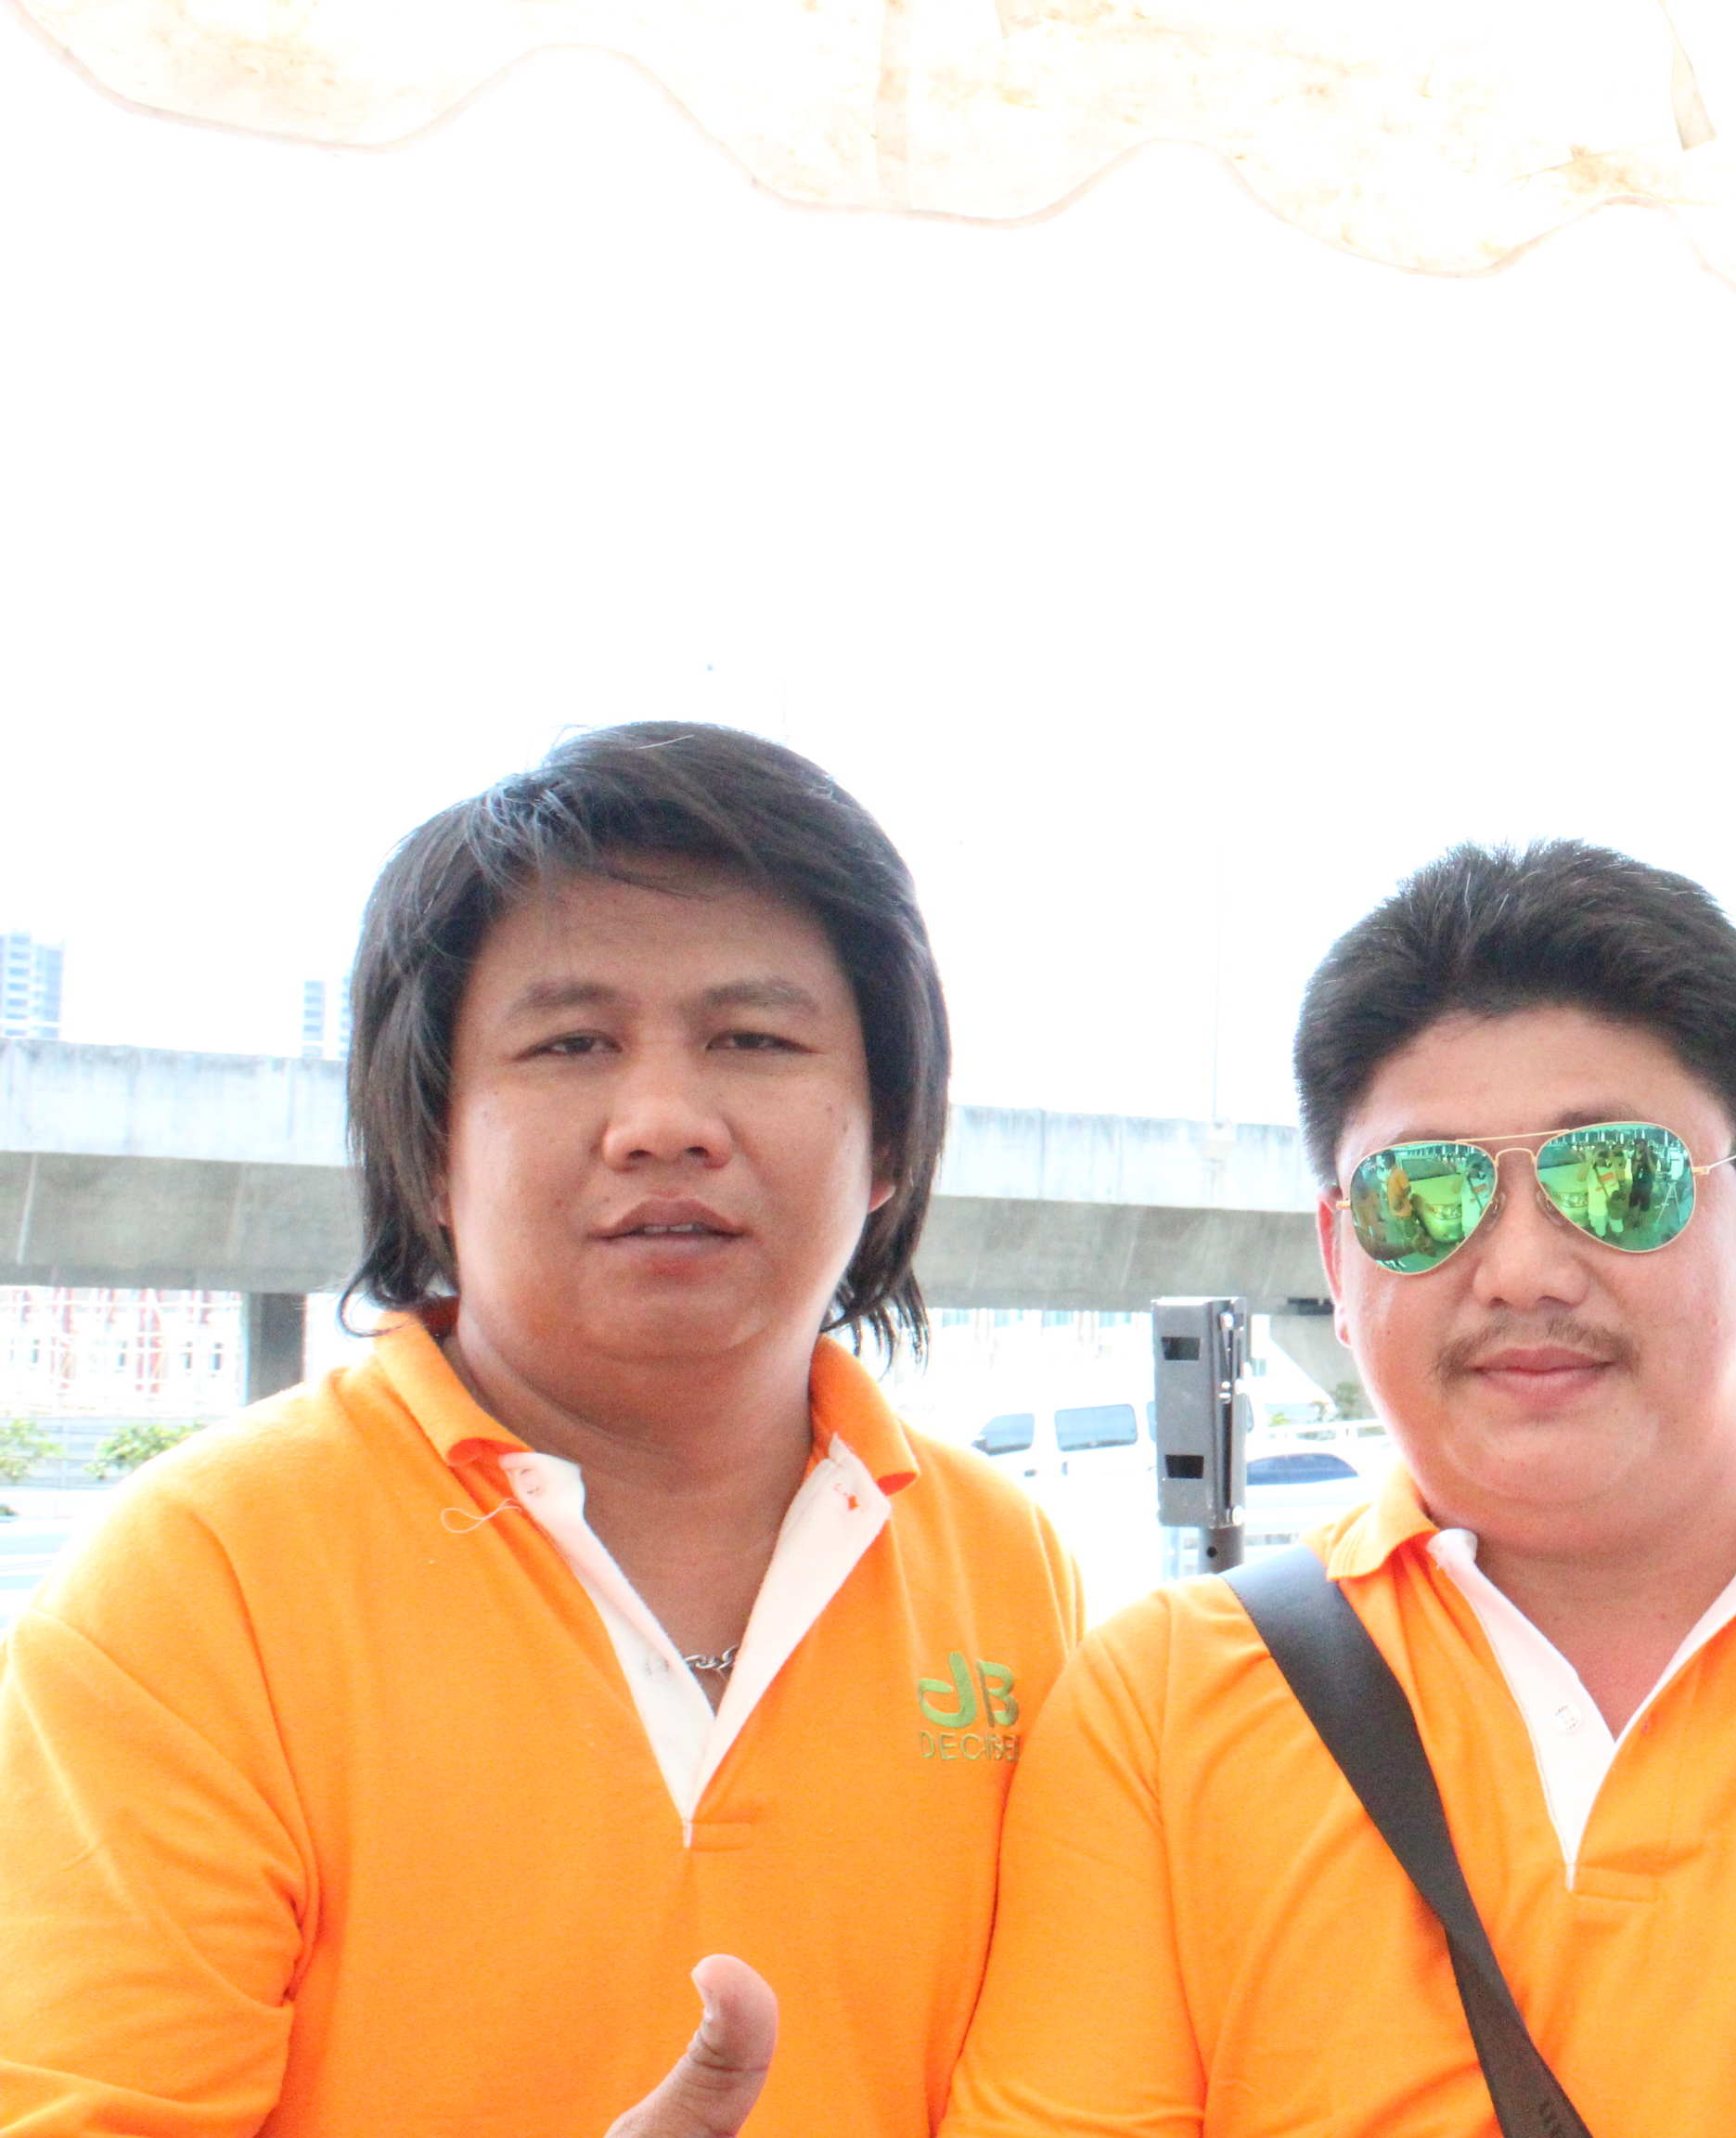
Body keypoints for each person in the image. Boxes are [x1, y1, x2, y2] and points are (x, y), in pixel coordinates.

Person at [0, 724, 1082, 2136]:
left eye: (754, 1040)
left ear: (887, 1136)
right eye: (571, 1043)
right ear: (429, 1144)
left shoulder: (1008, 1570)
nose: (664, 1122)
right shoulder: (203, 1578)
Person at [943, 839, 1736, 2135]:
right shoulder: (1162, 1704)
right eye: (1424, 1196)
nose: (1524, 1271)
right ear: (1340, 1255)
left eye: (1617, 1178)